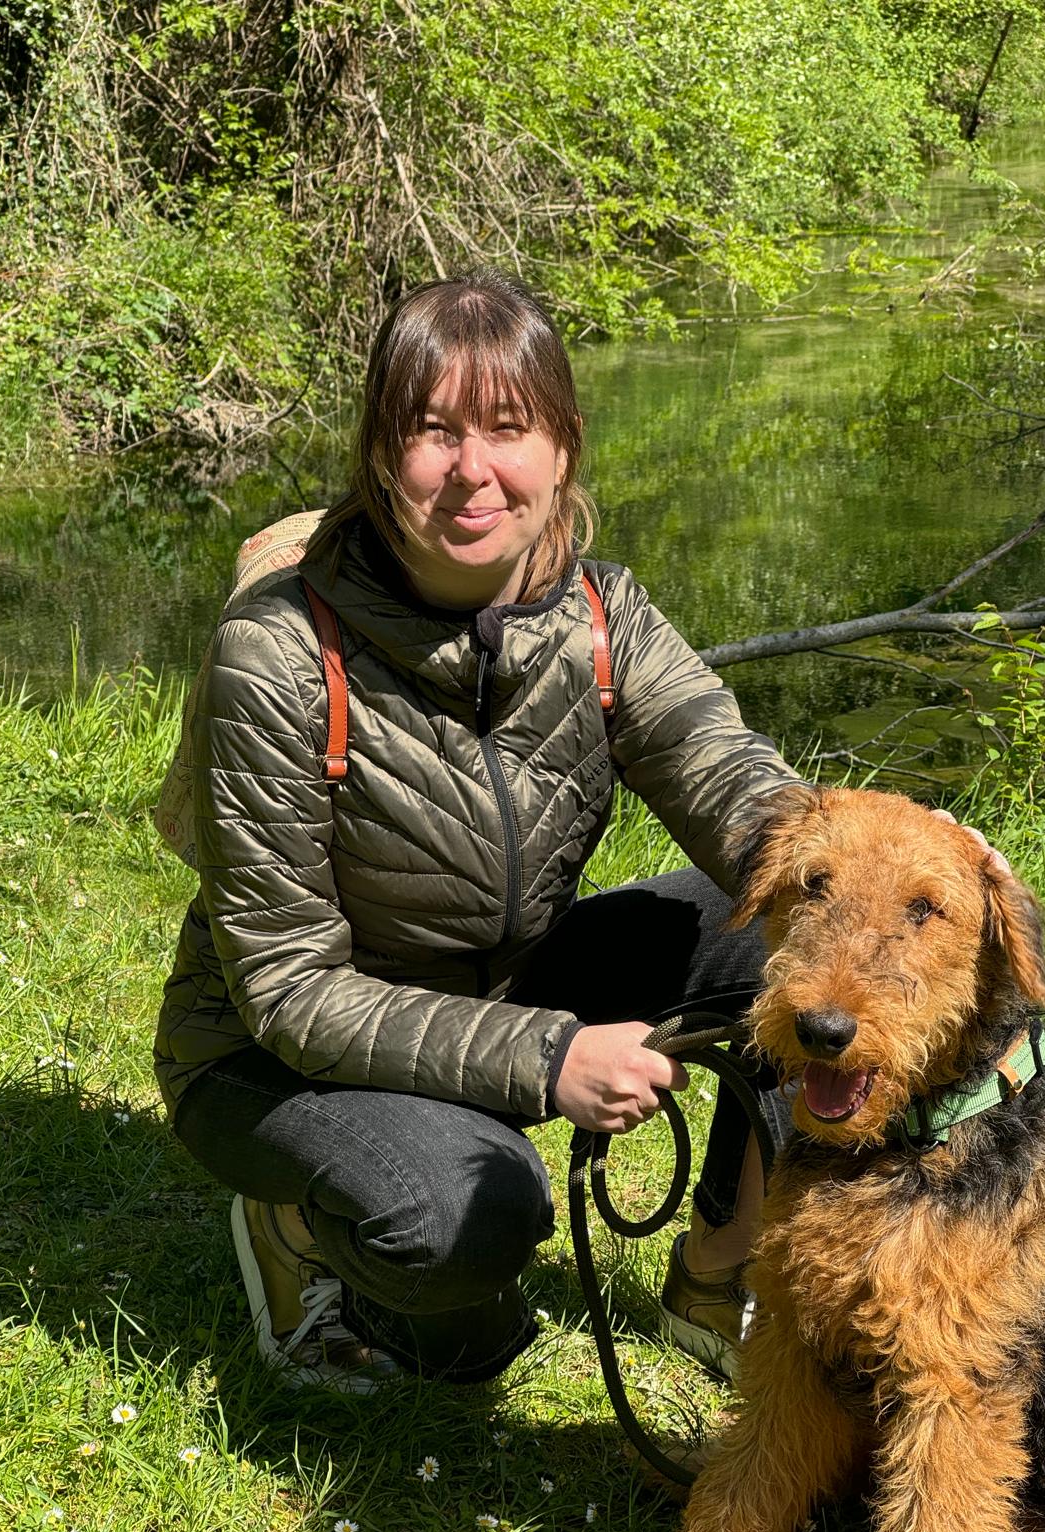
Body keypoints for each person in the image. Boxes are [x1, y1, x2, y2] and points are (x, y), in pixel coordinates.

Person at [152, 269, 814, 1390]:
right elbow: (290, 989)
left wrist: (881, 867)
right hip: (273, 1052)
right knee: (467, 1232)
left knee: (794, 928)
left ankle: (718, 1276)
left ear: (562, 448)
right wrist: (550, 1057)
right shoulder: (275, 653)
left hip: (499, 980)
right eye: (433, 431)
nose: (473, 470)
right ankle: (293, 1225)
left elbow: (736, 782)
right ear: (378, 452)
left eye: (509, 428)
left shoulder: (605, 617)